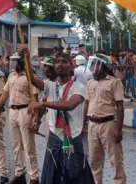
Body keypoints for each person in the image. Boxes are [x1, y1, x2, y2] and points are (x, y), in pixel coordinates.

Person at [28, 51, 93, 184]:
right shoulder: (50, 85)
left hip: (72, 137)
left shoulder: (79, 87)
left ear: (71, 66)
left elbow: (69, 105)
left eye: (64, 61)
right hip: (55, 137)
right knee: (52, 177)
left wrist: (43, 103)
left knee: (75, 176)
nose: (59, 64)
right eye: (57, 62)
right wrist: (26, 57)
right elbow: (31, 78)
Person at [0, 53, 40, 184]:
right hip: (12, 111)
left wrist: (36, 119)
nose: (12, 64)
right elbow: (5, 94)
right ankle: (20, 173)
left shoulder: (31, 77)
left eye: (15, 61)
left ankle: (34, 177)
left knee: (28, 146)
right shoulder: (11, 76)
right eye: (12, 61)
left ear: (22, 62)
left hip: (26, 111)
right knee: (16, 145)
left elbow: (35, 98)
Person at [85, 54, 126, 183]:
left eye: (96, 65)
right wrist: (84, 124)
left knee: (116, 160)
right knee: (94, 161)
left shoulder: (114, 82)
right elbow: (87, 103)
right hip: (92, 124)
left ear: (103, 67)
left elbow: (120, 106)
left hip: (108, 124)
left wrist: (119, 129)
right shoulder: (90, 83)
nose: (93, 68)